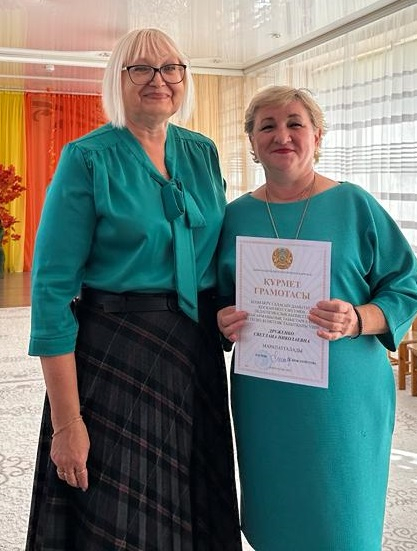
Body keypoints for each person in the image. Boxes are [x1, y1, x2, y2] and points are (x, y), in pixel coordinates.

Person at [26, 28, 242, 551]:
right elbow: (51, 292)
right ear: (117, 79)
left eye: (171, 68)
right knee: (119, 516)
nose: (158, 80)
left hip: (194, 354)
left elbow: (218, 253)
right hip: (116, 354)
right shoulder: (87, 158)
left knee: (193, 500)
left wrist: (228, 309)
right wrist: (67, 422)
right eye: (140, 68)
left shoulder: (203, 152)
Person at [217, 85, 417, 551]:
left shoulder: (354, 204)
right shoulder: (235, 216)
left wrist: (358, 318)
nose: (282, 135)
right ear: (252, 142)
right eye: (267, 126)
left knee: (342, 523)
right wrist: (221, 320)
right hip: (266, 396)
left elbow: (408, 283)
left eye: (295, 123)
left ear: (318, 135)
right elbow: (217, 295)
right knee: (276, 519)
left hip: (343, 396)